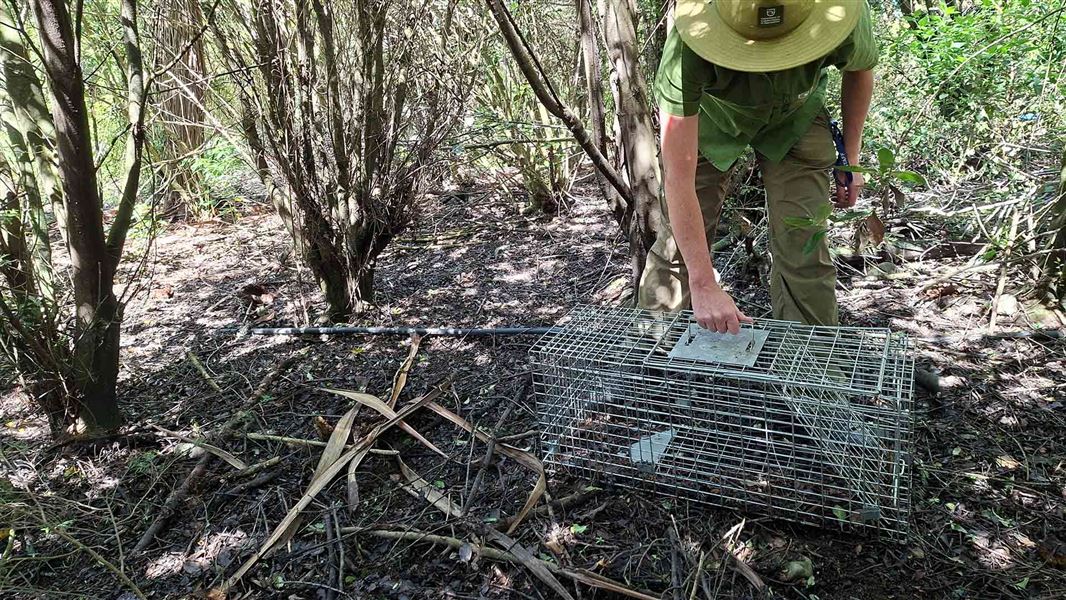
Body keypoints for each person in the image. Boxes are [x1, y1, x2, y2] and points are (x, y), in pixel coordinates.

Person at [637, 0, 878, 332]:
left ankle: (809, 369)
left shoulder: (845, 12)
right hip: (712, 119)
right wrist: (705, 284)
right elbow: (680, 179)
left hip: (797, 115)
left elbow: (860, 69)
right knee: (678, 248)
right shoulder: (688, 39)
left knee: (804, 248)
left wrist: (850, 159)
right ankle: (650, 359)